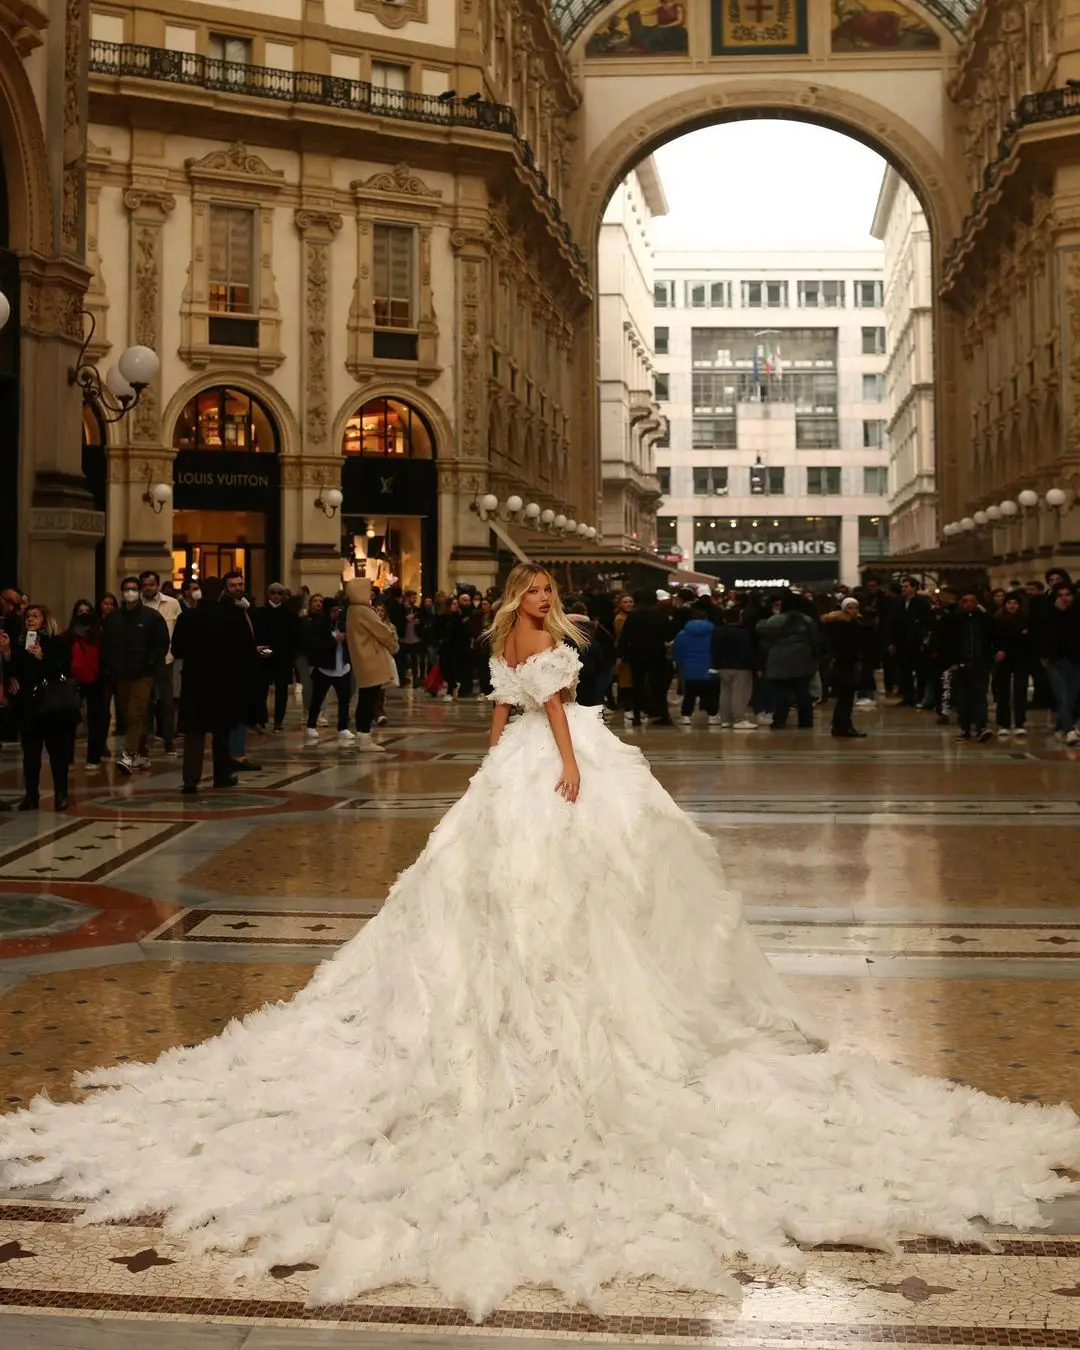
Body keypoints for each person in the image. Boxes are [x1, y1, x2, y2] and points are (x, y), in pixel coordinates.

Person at [3, 561, 1079, 1321]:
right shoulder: (549, 659)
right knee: (569, 881)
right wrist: (560, 763)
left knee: (521, 888)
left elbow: (494, 712)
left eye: (546, 599)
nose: (541, 608)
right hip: (547, 762)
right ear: (526, 599)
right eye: (536, 595)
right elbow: (551, 718)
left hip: (509, 767)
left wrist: (495, 757)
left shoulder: (508, 644)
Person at [171, 576, 251, 794]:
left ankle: (190, 779)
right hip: (223, 681)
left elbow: (176, 650)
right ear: (221, 593)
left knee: (194, 732)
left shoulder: (188, 617)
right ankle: (222, 774)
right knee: (222, 730)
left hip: (195, 681)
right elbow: (244, 651)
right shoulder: (232, 617)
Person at [4, 603, 77, 810]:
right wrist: (7, 654)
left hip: (53, 706)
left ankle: (61, 794)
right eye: (27, 617)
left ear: (45, 620)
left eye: (35, 616)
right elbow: (14, 670)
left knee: (58, 754)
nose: (30, 620)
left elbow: (62, 668)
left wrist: (42, 657)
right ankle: (31, 795)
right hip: (29, 706)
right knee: (30, 754)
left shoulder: (57, 642)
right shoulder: (20, 643)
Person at [102, 578, 170, 774]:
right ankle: (142, 753)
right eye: (126, 589)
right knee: (128, 715)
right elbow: (107, 645)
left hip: (143, 673)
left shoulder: (152, 617)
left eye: (133, 589)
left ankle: (128, 754)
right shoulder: (114, 618)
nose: (130, 592)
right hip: (121, 674)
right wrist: (109, 666)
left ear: (139, 591)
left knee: (136, 712)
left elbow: (161, 644)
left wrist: (151, 664)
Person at [345, 573, 400, 753]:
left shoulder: (352, 610)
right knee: (369, 699)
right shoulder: (363, 611)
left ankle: (362, 736)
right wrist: (393, 644)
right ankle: (364, 736)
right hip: (371, 658)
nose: (371, 593)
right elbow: (381, 631)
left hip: (362, 659)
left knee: (366, 698)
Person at [756, 592, 819, 730]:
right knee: (802, 692)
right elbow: (815, 640)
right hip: (803, 659)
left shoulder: (774, 620)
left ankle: (779, 720)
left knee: (781, 692)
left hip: (778, 659)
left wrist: (762, 662)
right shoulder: (807, 620)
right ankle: (805, 721)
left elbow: (766, 641)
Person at [942, 590, 994, 742]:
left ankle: (981, 727)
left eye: (972, 601)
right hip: (961, 664)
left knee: (980, 696)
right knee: (963, 698)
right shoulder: (954, 621)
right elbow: (948, 643)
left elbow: (992, 639)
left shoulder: (985, 620)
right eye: (965, 601)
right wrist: (952, 662)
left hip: (980, 663)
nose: (969, 604)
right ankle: (965, 727)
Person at [616, 590, 673, 727]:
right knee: (658, 686)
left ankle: (636, 716)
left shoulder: (634, 615)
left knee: (637, 686)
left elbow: (625, 636)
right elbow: (668, 634)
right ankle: (663, 714)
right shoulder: (661, 614)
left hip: (636, 655)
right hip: (657, 654)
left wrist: (621, 654)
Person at [139, 570, 181, 757]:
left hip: (165, 659)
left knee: (166, 701)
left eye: (151, 584)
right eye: (145, 585)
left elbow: (179, 629)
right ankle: (144, 742)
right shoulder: (136, 604)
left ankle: (169, 740)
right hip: (142, 661)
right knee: (144, 702)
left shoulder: (171, 604)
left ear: (157, 585)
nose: (148, 588)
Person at [64, 599, 109, 768]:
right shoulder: (68, 635)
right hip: (73, 681)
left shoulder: (99, 635)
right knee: (70, 720)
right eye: (80, 611)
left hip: (95, 680)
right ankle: (67, 757)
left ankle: (93, 757)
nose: (84, 613)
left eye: (87, 610)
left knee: (96, 720)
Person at [821, 597, 873, 738]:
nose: (854, 611)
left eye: (856, 607)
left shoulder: (854, 623)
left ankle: (841, 725)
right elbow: (843, 645)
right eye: (850, 608)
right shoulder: (843, 624)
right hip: (844, 665)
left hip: (848, 664)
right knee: (845, 697)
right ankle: (843, 726)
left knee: (846, 698)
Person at [253, 582, 301, 733]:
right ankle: (262, 718)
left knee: (282, 691)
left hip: (283, 657)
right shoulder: (259, 613)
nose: (276, 596)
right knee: (261, 690)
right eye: (273, 593)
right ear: (268, 594)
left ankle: (278, 721)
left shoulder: (290, 615)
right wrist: (262, 653)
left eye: (279, 593)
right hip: (265, 655)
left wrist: (291, 657)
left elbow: (295, 638)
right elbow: (256, 636)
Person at [1041, 583, 1080, 743]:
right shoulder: (1048, 613)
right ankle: (1069, 729)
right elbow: (1042, 635)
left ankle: (1062, 724)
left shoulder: (1078, 612)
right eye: (1060, 595)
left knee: (1072, 697)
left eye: (1067, 594)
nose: (1065, 598)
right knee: (1061, 696)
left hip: (1076, 660)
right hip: (1055, 661)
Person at [991, 592, 1032, 738]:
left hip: (1021, 658)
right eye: (1009, 603)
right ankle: (1004, 723)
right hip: (1003, 659)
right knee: (1003, 692)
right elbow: (995, 639)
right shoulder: (997, 619)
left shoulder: (1026, 619)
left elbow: (1028, 639)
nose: (1012, 606)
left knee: (1020, 691)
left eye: (1015, 603)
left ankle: (1020, 723)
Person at [887, 576, 932, 707]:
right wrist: (891, 642)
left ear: (914, 588)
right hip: (901, 641)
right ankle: (908, 696)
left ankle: (920, 696)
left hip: (916, 642)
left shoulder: (922, 602)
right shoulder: (898, 602)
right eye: (903, 587)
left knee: (920, 671)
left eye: (907, 586)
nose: (904, 589)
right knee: (903, 671)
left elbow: (926, 621)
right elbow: (892, 622)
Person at [671, 600, 718, 724]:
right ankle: (712, 716)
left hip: (689, 668)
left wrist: (682, 664)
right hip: (709, 668)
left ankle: (686, 716)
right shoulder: (713, 634)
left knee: (689, 694)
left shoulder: (682, 634)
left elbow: (677, 652)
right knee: (709, 694)